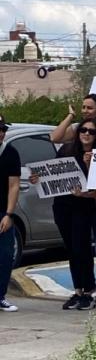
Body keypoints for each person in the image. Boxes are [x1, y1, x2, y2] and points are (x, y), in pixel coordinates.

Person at [34, 118, 96, 310]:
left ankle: (89, 290)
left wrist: (88, 168)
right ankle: (78, 290)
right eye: (83, 130)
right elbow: (52, 174)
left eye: (91, 131)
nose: (86, 134)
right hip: (63, 206)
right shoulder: (66, 150)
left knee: (82, 248)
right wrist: (37, 178)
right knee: (71, 249)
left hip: (84, 207)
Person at [0, 115, 20, 313]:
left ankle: (1, 296)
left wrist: (9, 214)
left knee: (5, 255)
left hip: (2, 212)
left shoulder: (10, 153)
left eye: (2, 129)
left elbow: (14, 185)